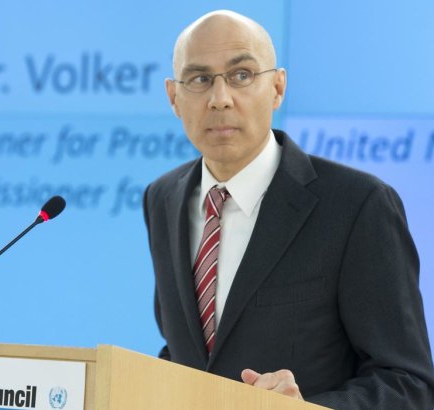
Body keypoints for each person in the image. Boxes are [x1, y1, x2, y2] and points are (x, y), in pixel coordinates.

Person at [143, 9, 434, 409]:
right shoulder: (163, 198)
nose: (220, 99)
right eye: (199, 79)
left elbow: (409, 385)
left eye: (241, 75)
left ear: (277, 88)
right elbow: (187, 354)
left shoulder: (358, 205)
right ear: (174, 97)